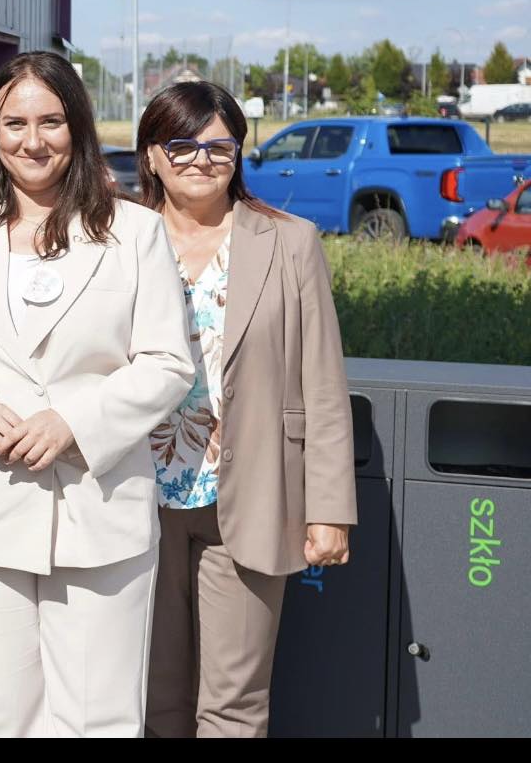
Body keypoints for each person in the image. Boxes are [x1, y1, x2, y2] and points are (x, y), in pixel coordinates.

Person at [0, 51, 193, 737]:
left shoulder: (135, 233)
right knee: (6, 716)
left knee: (99, 717)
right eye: (17, 122)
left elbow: (168, 363)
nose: (35, 140)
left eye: (52, 120)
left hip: (101, 508)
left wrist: (75, 423)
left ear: (77, 127)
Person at [137, 81, 355, 738]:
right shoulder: (118, 241)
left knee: (231, 705)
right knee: (153, 697)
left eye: (218, 145)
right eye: (181, 144)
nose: (200, 158)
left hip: (252, 496)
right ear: (151, 155)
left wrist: (330, 509)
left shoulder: (290, 242)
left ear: (239, 151)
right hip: (133, 499)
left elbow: (322, 381)